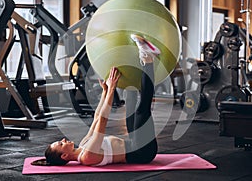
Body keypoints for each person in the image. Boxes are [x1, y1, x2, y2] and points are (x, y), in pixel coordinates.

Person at [32, 34, 161, 166]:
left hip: (134, 141)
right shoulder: (87, 157)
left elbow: (97, 117)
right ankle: (148, 58)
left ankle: (141, 62)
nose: (63, 139)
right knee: (142, 110)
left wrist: (105, 91)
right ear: (64, 155)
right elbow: (103, 121)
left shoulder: (83, 145)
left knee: (130, 99)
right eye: (61, 143)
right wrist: (111, 90)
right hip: (142, 152)